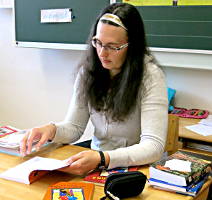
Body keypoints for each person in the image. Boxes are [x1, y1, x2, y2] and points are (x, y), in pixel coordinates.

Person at [20, 3, 168, 175]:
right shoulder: (88, 71)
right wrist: (51, 130)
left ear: (132, 46)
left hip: (138, 168)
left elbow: (153, 146)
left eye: (113, 47)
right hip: (97, 162)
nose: (102, 53)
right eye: (98, 42)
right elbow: (74, 128)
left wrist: (103, 158)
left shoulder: (151, 77)